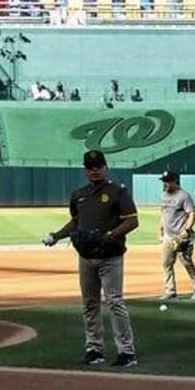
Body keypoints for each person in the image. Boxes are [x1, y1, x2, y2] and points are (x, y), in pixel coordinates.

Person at [42, 149, 140, 367]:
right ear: (85, 170)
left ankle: (126, 351)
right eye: (90, 167)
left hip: (110, 256)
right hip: (86, 256)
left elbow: (132, 221)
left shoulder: (118, 192)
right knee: (89, 303)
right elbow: (76, 222)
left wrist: (111, 235)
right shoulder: (79, 194)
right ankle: (94, 348)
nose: (94, 170)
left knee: (114, 301)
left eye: (98, 166)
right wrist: (57, 236)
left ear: (106, 167)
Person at [158, 170, 195, 300]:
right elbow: (163, 215)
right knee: (166, 263)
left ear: (174, 181)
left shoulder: (183, 196)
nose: (165, 183)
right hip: (168, 236)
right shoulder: (163, 196)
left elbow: (192, 213)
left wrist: (187, 230)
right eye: (164, 181)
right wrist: (160, 230)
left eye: (167, 181)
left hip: (182, 236)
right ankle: (170, 291)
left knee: (186, 262)